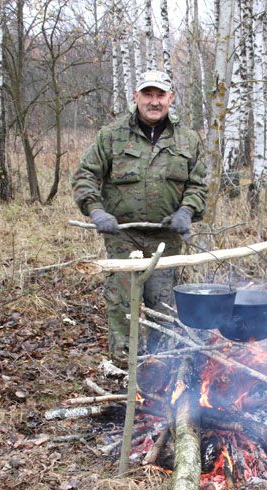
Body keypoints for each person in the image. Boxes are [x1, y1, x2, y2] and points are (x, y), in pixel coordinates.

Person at [70, 70, 208, 367]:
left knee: (163, 306)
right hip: (123, 238)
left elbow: (198, 184)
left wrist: (187, 210)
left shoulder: (188, 139)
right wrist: (96, 210)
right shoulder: (111, 135)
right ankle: (124, 367)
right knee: (122, 304)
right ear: (136, 97)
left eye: (161, 95)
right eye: (148, 95)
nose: (154, 102)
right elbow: (85, 176)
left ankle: (160, 370)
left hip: (166, 241)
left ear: (171, 98)